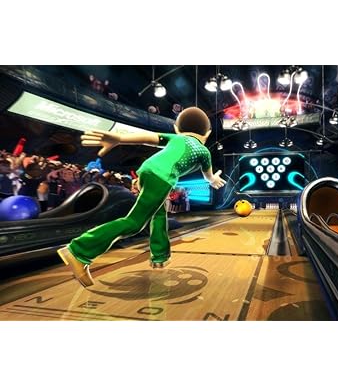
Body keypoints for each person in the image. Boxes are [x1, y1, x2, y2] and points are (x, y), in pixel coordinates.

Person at [57, 107, 226, 288]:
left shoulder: (175, 138)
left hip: (147, 170)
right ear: (207, 133)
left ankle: (160, 256)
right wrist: (213, 179)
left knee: (158, 212)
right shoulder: (203, 151)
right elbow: (208, 176)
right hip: (162, 177)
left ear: (177, 128)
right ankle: (78, 250)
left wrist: (119, 139)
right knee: (134, 223)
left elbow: (149, 137)